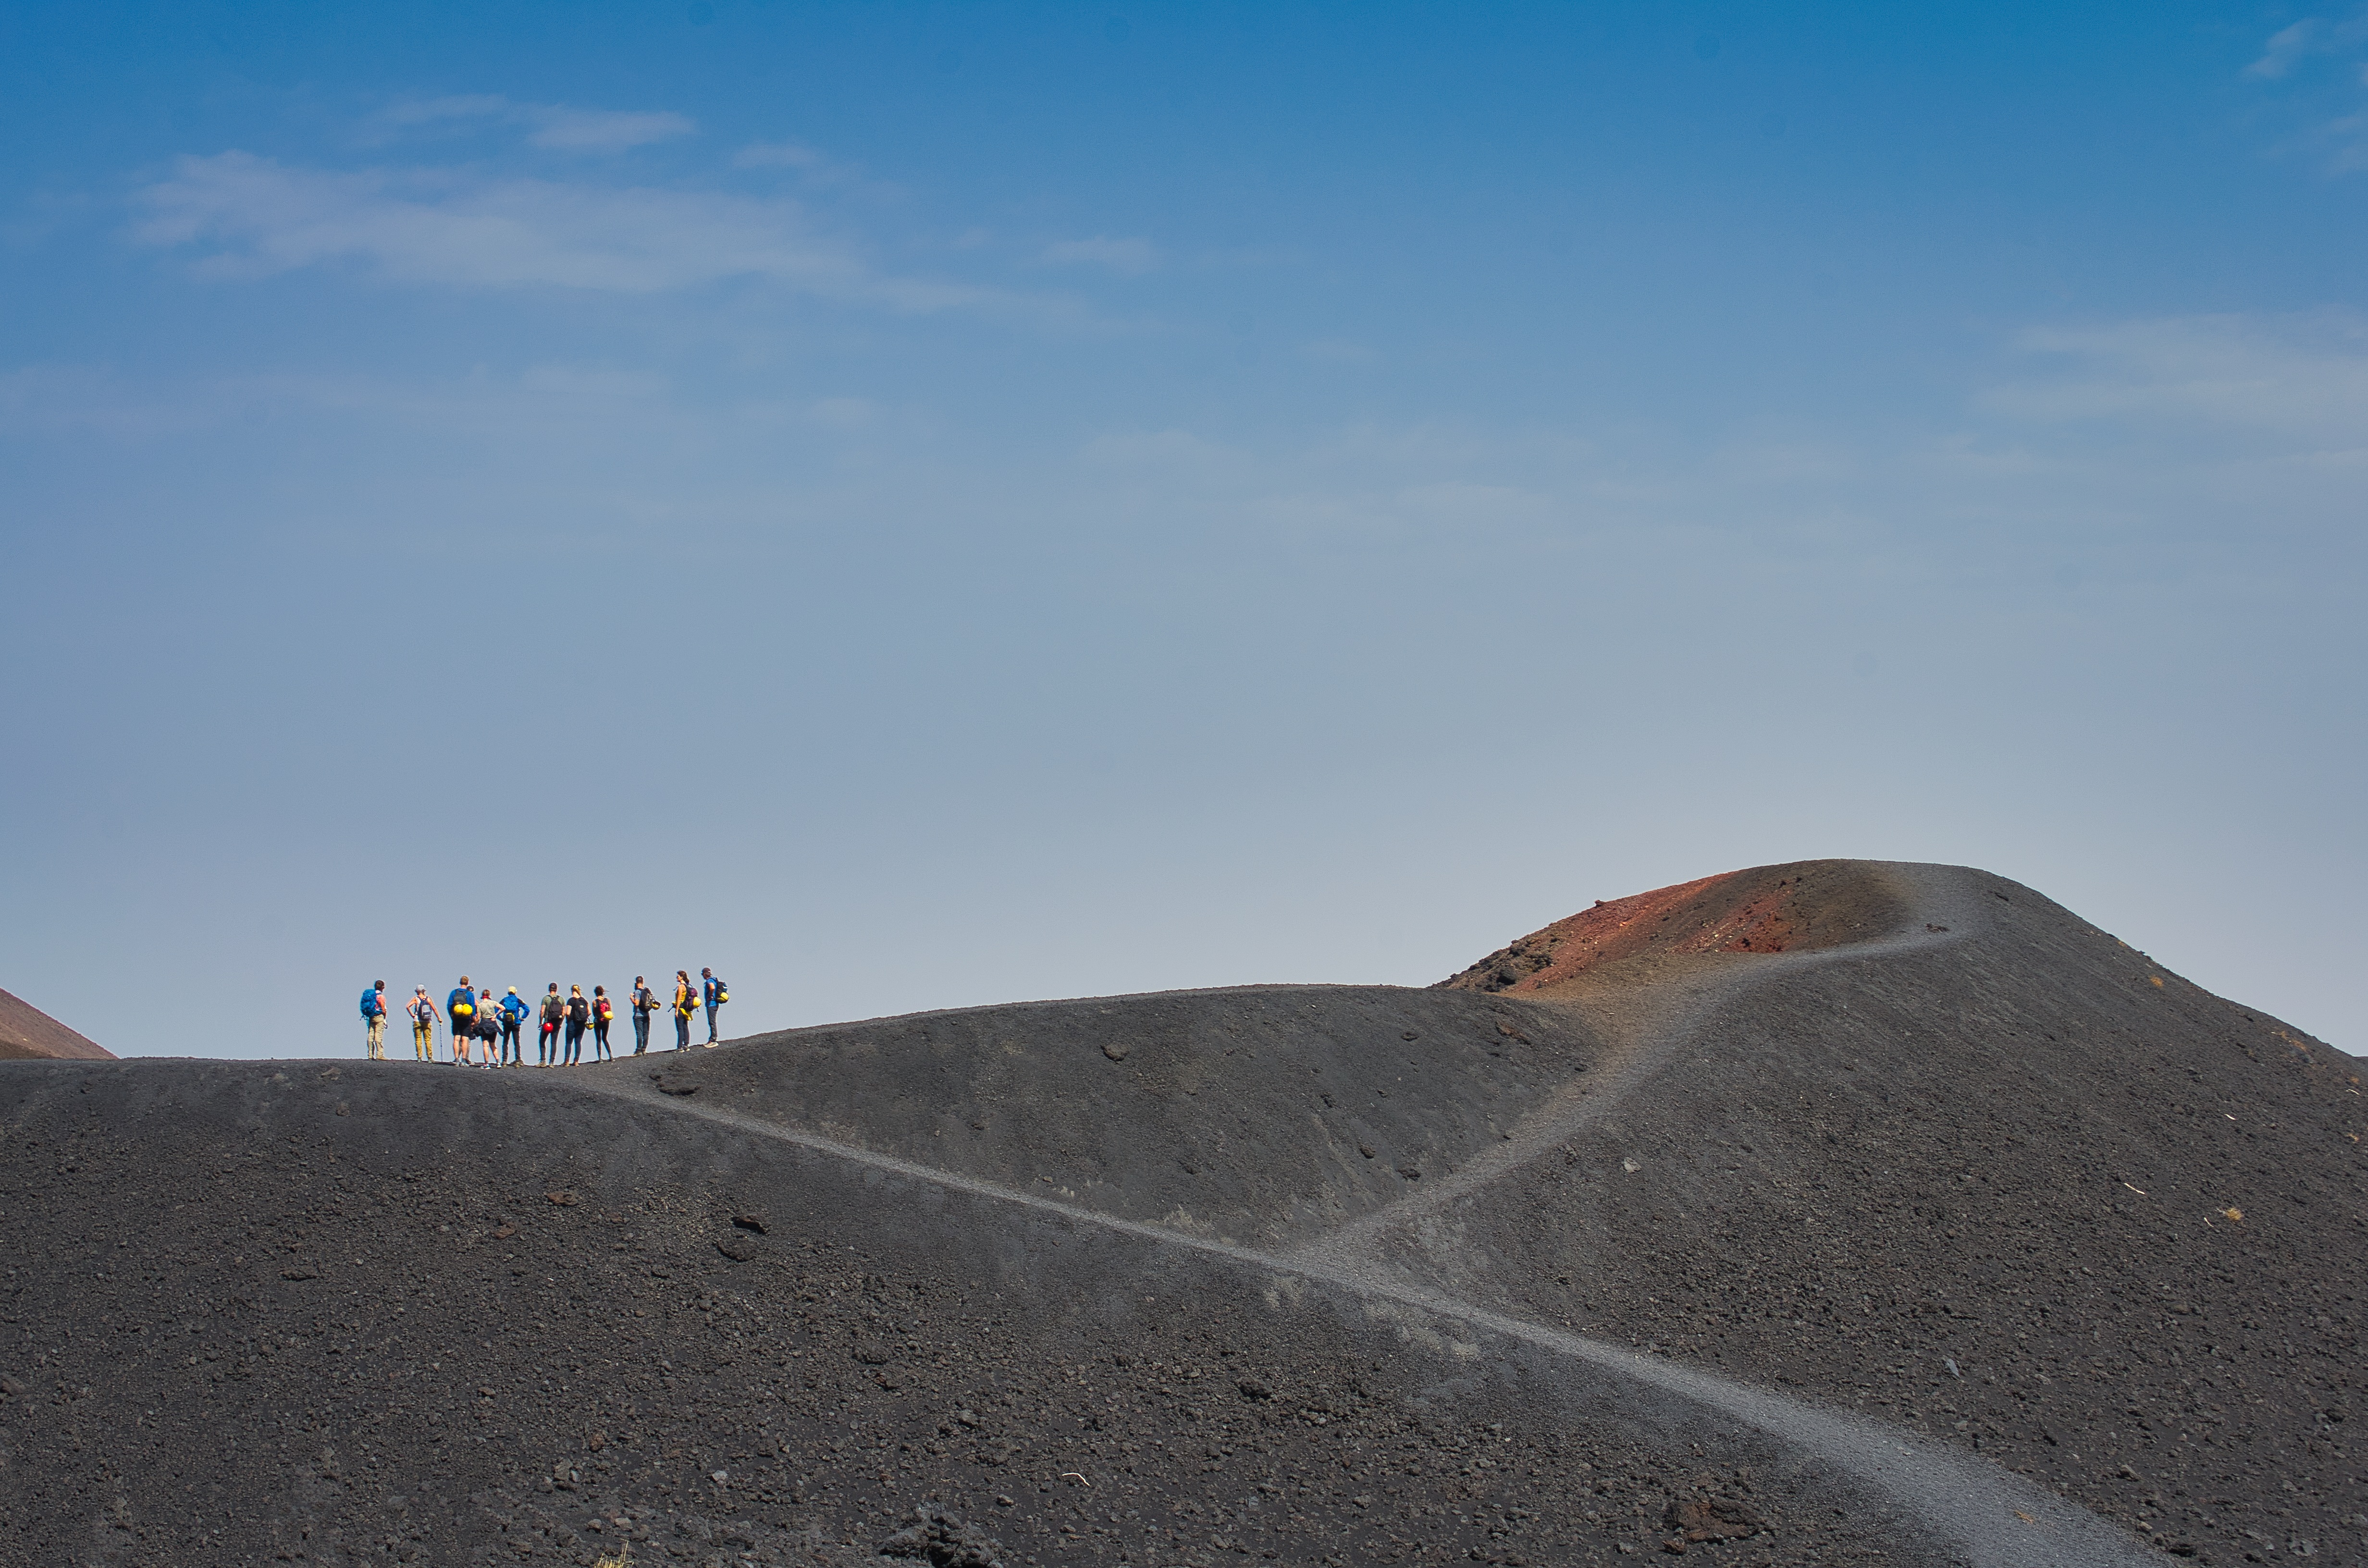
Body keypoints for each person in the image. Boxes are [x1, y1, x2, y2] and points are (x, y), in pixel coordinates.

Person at [446, 977, 478, 1066]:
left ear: (460, 982)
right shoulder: (470, 994)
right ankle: (464, 1060)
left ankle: (457, 1059)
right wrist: (473, 1018)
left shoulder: (454, 992)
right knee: (465, 1039)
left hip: (456, 1018)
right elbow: (473, 1007)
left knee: (456, 1038)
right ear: (468, 983)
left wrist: (452, 1016)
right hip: (466, 1018)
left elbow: (449, 1006)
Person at [498, 987, 530, 1067]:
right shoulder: (518, 1000)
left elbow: (496, 1009)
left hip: (506, 1023)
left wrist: (501, 1019)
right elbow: (527, 1010)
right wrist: (522, 1017)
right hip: (516, 1023)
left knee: (505, 1041)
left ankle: (504, 1060)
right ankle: (518, 1059)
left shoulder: (504, 1000)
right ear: (515, 992)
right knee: (517, 1042)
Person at [408, 985, 440, 1061]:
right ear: (424, 991)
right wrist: (439, 1018)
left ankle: (419, 1057)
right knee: (428, 1040)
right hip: (427, 1021)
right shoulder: (428, 999)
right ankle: (430, 1057)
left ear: (417, 991)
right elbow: (434, 1009)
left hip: (417, 1021)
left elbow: (408, 1006)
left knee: (418, 1039)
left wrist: (412, 1015)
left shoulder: (416, 999)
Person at [629, 975, 658, 1054]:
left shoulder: (637, 992)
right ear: (643, 982)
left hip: (638, 1015)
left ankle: (638, 1050)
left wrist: (631, 998)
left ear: (636, 983)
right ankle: (644, 1049)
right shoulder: (647, 991)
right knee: (646, 1033)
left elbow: (637, 1003)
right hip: (647, 1015)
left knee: (639, 1033)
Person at [360, 981, 388, 1060]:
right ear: (382, 987)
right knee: (378, 1036)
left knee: (371, 1035)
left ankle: (370, 1055)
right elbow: (383, 1010)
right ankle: (380, 1055)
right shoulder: (380, 997)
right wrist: (385, 1019)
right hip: (379, 1017)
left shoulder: (371, 995)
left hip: (371, 1016)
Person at [701, 967, 728, 1045]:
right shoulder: (714, 980)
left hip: (711, 1004)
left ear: (705, 974)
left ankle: (713, 1039)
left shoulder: (709, 981)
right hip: (716, 1003)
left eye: (703, 974)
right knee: (713, 1021)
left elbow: (712, 987)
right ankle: (713, 1038)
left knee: (712, 1021)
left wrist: (710, 996)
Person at [563, 984, 590, 1066]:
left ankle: (567, 1061)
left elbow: (568, 1013)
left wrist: (568, 1020)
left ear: (572, 991)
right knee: (578, 1042)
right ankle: (576, 1061)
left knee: (569, 1042)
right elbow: (589, 1012)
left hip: (572, 1023)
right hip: (582, 1024)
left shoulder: (571, 1001)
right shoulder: (584, 1001)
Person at [538, 983, 564, 1066]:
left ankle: (543, 1061)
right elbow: (564, 1013)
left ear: (549, 989)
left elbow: (542, 1012)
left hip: (547, 1023)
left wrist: (541, 1022)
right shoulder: (561, 999)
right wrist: (561, 1023)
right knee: (554, 1042)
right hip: (557, 1023)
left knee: (542, 1041)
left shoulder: (546, 999)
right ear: (556, 989)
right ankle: (552, 1062)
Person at [672, 970, 696, 1051]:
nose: (677, 977)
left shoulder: (681, 987)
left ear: (682, 977)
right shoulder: (688, 986)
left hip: (681, 1009)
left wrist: (676, 1010)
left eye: (678, 976)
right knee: (685, 1027)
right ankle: (686, 1045)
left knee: (680, 1028)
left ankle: (680, 1047)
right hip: (686, 1010)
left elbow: (679, 999)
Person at [591, 985, 615, 1061]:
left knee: (599, 1040)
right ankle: (611, 1056)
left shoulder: (595, 1002)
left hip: (598, 1022)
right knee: (605, 1038)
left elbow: (594, 1013)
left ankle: (600, 1058)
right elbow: (610, 1011)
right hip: (606, 1022)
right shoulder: (607, 1000)